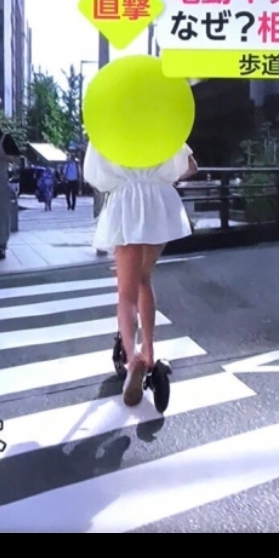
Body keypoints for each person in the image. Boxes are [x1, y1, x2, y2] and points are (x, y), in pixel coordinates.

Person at [83, 136, 198, 410]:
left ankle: (133, 360)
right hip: (158, 202)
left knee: (126, 293)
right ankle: (149, 351)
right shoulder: (160, 125)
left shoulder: (108, 127)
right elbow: (190, 166)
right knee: (145, 279)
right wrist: (160, 177)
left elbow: (95, 176)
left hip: (126, 203)